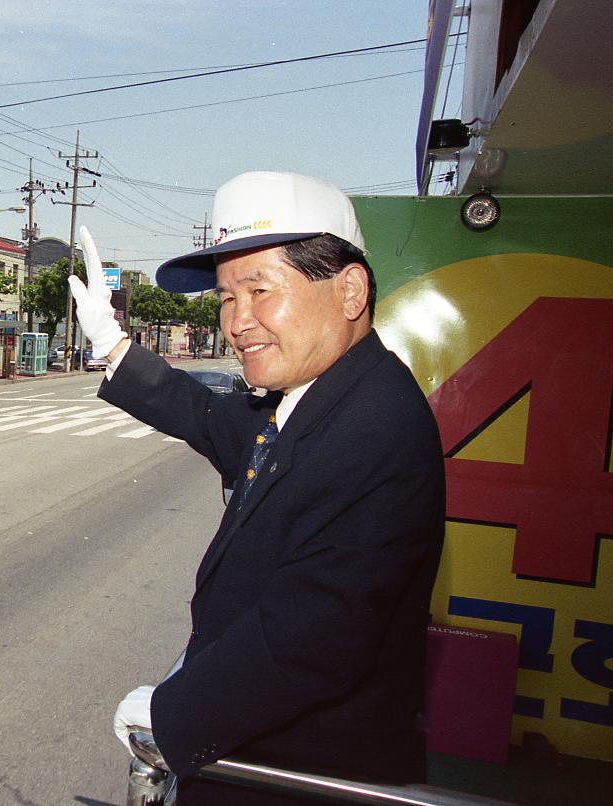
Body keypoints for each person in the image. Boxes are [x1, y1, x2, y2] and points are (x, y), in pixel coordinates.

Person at [69, 171, 445, 805]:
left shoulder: (375, 427)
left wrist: (173, 715)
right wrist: (114, 347)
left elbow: (311, 639)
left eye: (260, 290)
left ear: (349, 290)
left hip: (297, 774)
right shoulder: (318, 396)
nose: (238, 322)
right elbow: (211, 419)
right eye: (225, 298)